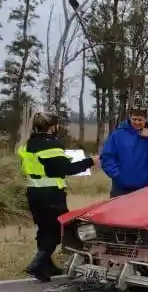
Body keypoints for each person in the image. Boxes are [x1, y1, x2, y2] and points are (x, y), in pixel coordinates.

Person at [18, 112, 98, 282]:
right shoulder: (51, 145)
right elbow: (64, 169)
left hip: (33, 192)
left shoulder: (28, 144)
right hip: (51, 194)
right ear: (53, 126)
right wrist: (90, 162)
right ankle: (37, 264)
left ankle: (47, 266)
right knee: (56, 232)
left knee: (44, 229)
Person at [100, 107, 148, 197]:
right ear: (130, 117)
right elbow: (107, 157)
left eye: (140, 120)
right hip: (121, 189)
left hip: (146, 189)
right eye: (134, 119)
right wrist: (117, 175)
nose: (137, 122)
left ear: (145, 120)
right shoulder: (117, 135)